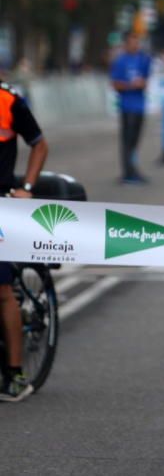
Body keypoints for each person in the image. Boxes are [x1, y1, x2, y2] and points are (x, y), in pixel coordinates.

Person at [0, 81, 49, 402]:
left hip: (1, 204)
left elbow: (40, 144)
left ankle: (15, 374)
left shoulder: (9, 101)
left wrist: (27, 186)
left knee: (1, 291)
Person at [109, 32, 152, 184]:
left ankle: (132, 168)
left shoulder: (143, 59)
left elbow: (147, 81)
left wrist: (142, 83)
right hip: (127, 106)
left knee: (135, 140)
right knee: (126, 140)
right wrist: (130, 85)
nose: (135, 45)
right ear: (126, 44)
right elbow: (115, 84)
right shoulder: (120, 61)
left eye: (137, 42)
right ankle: (128, 172)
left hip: (140, 106)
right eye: (132, 42)